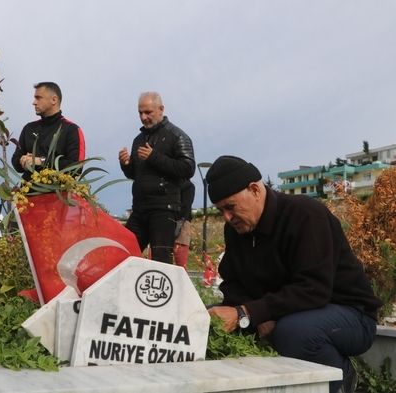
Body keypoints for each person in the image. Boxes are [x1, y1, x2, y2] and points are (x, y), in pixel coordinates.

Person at [205, 155, 381, 393]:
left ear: (255, 190)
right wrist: (255, 314)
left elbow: (314, 289)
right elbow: (233, 283)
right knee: (210, 321)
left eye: (230, 207)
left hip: (349, 314)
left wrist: (247, 312)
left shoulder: (305, 215)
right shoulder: (236, 230)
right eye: (220, 210)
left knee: (294, 331)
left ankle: (340, 380)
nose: (227, 217)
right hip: (288, 312)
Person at [119, 92, 196, 263]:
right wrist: (126, 164)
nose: (143, 117)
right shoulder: (138, 139)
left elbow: (188, 168)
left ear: (161, 109)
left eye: (148, 112)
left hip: (164, 209)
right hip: (139, 208)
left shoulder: (177, 136)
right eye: (140, 113)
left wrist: (154, 157)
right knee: (123, 254)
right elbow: (134, 174)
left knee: (161, 261)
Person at [11, 82, 85, 180]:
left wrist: (40, 161)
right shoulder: (29, 128)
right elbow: (16, 162)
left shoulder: (71, 129)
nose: (34, 102)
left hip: (59, 193)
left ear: (54, 100)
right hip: (27, 193)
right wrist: (24, 160)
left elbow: (76, 167)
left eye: (38, 98)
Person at [173, 179, 195, 268]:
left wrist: (179, 224)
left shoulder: (188, 185)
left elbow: (186, 207)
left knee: (180, 261)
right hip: (168, 221)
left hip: (182, 223)